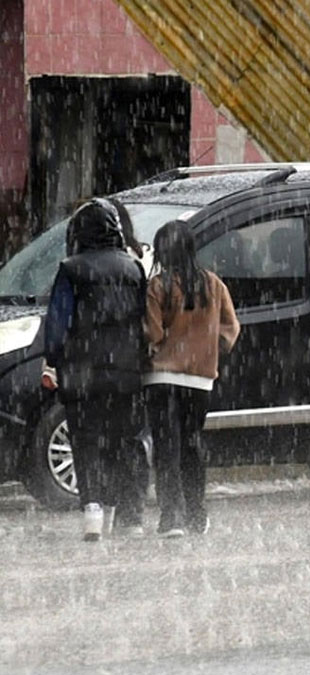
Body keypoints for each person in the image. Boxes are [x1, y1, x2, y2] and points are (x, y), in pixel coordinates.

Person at [43, 198, 149, 541]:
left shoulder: (71, 269)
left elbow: (59, 323)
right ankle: (130, 515)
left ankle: (93, 509)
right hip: (127, 372)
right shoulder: (134, 269)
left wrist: (54, 359)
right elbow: (144, 322)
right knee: (126, 441)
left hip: (82, 372)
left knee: (86, 441)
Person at [143, 220, 240, 538]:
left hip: (162, 377)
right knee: (191, 444)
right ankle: (197, 513)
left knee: (166, 446)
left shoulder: (158, 286)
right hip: (199, 379)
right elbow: (231, 326)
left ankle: (172, 516)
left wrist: (158, 349)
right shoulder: (213, 284)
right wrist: (213, 350)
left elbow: (153, 333)